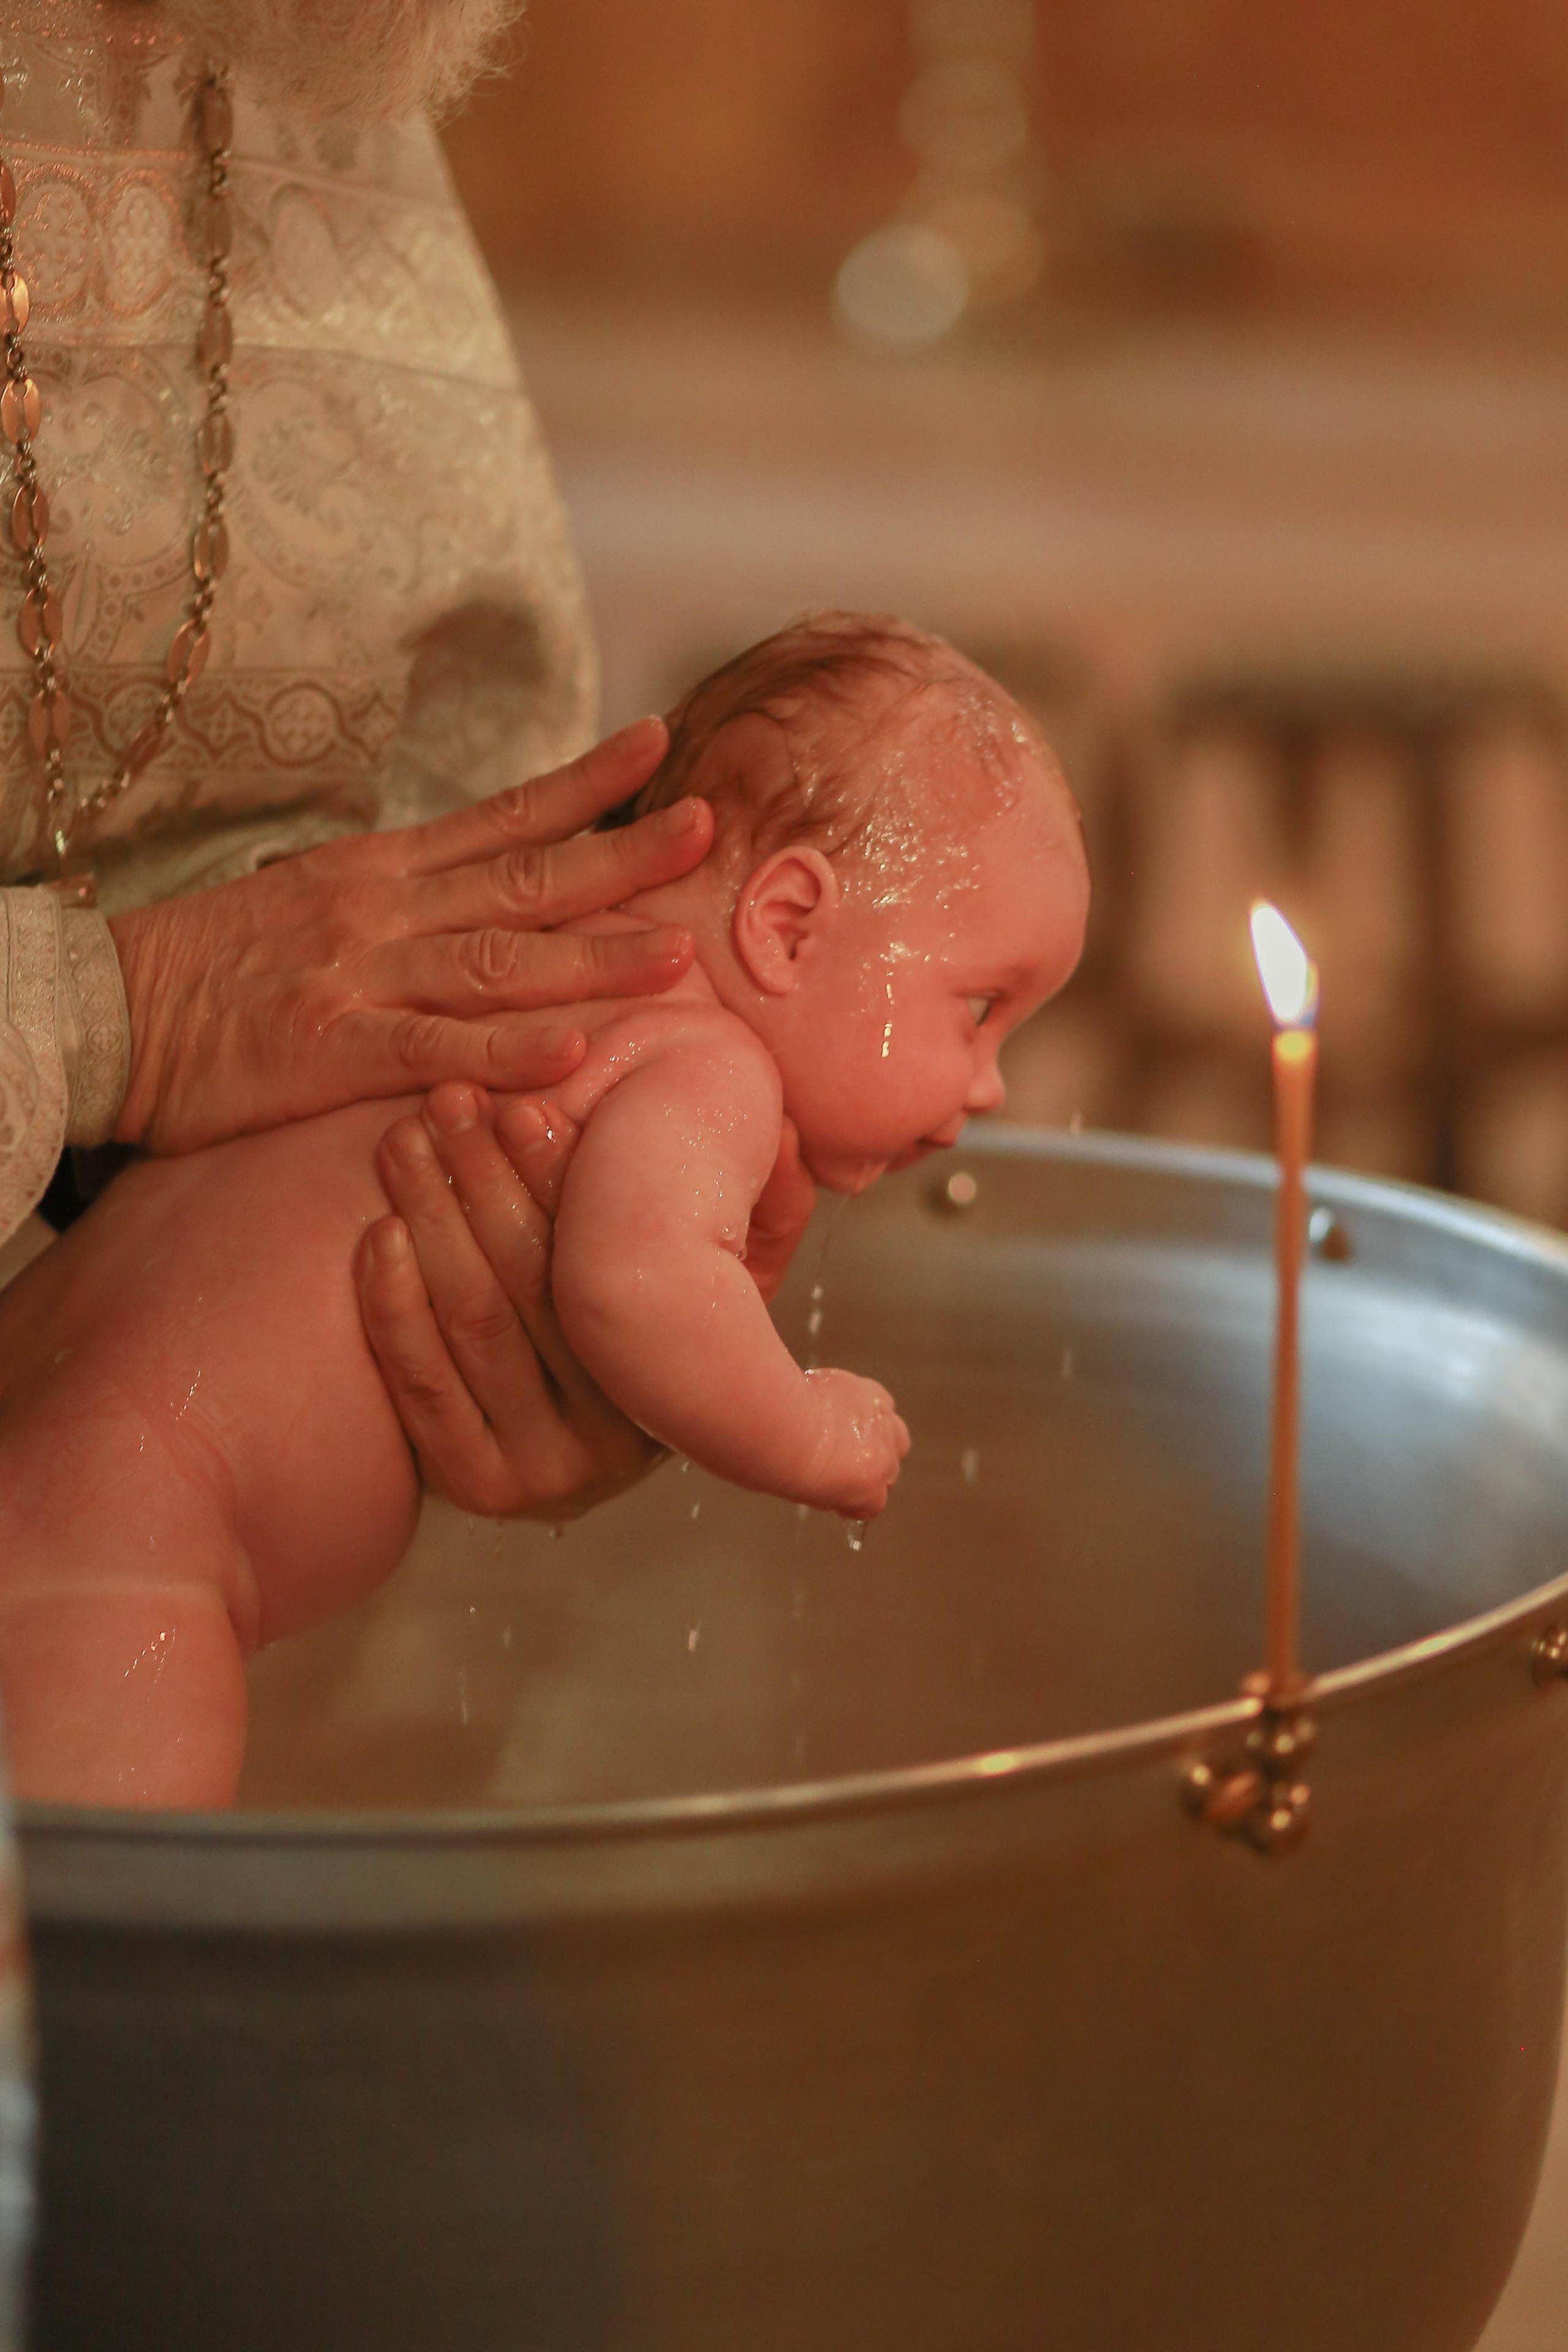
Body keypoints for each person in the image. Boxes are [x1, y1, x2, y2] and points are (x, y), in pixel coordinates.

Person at [0, 614, 1090, 1807]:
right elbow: (634, 1289)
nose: (988, 1086)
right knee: (99, 1935)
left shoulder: (461, 952)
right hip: (127, 1561)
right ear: (785, 923)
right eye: (977, 1009)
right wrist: (804, 1426)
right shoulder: (700, 1065)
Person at [0, 0, 723, 1527]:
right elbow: (179, 995)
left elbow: (413, 801)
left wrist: (514, 1254)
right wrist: (103, 1018)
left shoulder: (284, 34)